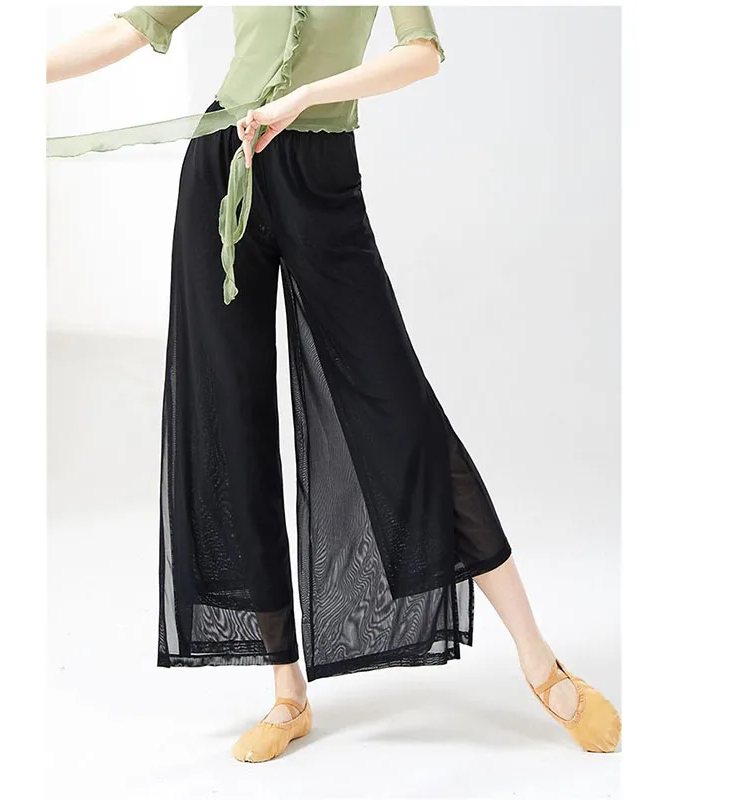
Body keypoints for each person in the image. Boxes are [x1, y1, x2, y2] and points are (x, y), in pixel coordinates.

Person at [46, 5, 621, 763]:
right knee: (231, 419)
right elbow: (131, 28)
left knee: (402, 413)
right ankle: (287, 692)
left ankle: (539, 660)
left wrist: (307, 97)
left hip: (319, 176)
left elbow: (422, 53)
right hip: (222, 168)